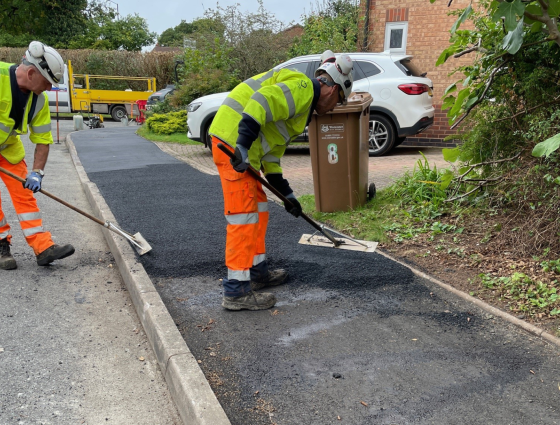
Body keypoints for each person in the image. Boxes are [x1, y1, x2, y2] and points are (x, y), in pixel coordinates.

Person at [209, 52, 354, 311]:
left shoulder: (303, 111)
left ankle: (257, 272)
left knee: (259, 210)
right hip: (233, 144)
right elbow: (260, 101)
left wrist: (289, 196)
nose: (334, 109)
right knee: (243, 215)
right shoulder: (302, 89)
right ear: (333, 90)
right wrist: (242, 145)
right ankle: (236, 292)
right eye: (338, 102)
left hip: (247, 152)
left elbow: (272, 157)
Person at [0, 41, 75, 270]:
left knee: (26, 198)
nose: (51, 89)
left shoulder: (39, 100)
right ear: (32, 73)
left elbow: (42, 140)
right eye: (48, 83)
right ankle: (1, 245)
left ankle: (43, 248)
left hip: (9, 152)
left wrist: (37, 173)